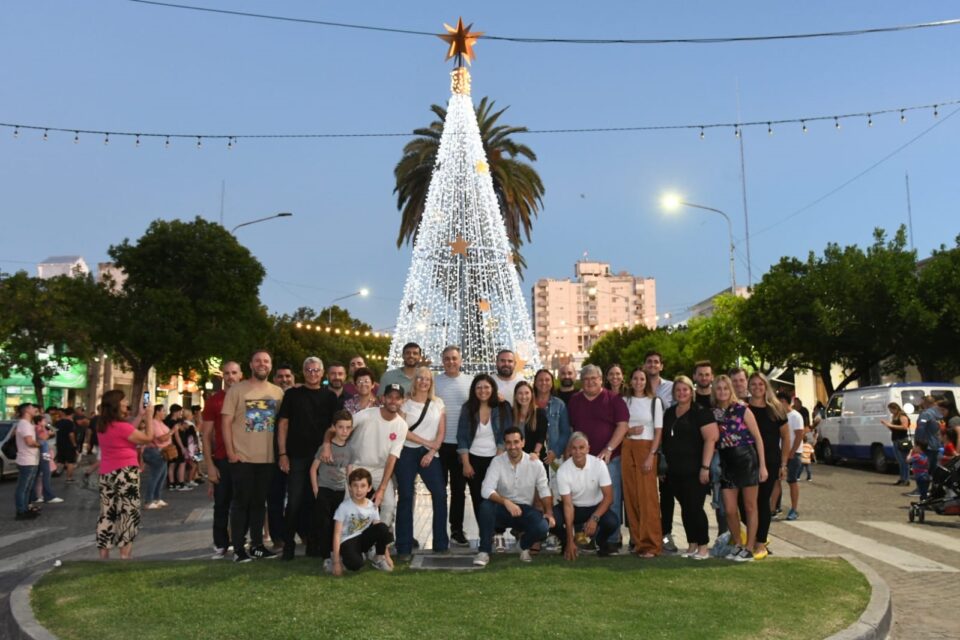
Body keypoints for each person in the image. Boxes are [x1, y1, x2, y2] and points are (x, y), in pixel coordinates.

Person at [221, 349, 285, 563]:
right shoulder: (236, 390)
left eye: (266, 361)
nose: (262, 364)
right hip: (242, 459)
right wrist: (231, 452)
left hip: (267, 460)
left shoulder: (278, 393)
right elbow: (226, 423)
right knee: (240, 504)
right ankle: (238, 548)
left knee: (260, 505)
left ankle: (257, 546)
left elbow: (283, 425)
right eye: (258, 360)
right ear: (250, 364)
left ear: (270, 365)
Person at [276, 356, 339, 560]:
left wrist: (327, 445)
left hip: (320, 458)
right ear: (304, 372)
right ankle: (288, 546)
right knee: (293, 501)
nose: (313, 374)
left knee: (317, 502)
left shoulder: (330, 397)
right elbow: (283, 425)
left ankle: (315, 545)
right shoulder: (293, 395)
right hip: (296, 456)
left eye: (316, 370)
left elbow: (334, 427)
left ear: (322, 373)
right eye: (309, 370)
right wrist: (283, 454)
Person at [325, 383, 408, 534]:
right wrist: (326, 445)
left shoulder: (401, 425)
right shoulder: (367, 414)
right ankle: (347, 542)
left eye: (397, 398)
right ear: (383, 398)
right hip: (356, 465)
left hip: (379, 469)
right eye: (390, 397)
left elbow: (392, 458)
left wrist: (382, 489)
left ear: (402, 401)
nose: (393, 401)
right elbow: (337, 429)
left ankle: (378, 547)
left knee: (388, 504)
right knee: (347, 504)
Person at [566, 364, 628, 553]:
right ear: (581, 381)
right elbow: (571, 428)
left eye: (594, 378)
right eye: (586, 379)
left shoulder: (614, 399)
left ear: (601, 380)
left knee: (611, 499)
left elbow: (623, 426)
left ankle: (611, 539)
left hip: (608, 459)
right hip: (581, 460)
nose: (590, 382)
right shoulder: (575, 401)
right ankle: (585, 538)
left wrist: (609, 449)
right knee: (581, 498)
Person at [473, 427, 554, 567]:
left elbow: (544, 490)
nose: (513, 446)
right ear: (505, 444)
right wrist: (506, 502)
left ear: (523, 442)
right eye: (509, 443)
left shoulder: (535, 464)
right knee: (485, 506)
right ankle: (484, 551)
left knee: (543, 526)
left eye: (516, 442)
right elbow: (486, 490)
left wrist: (549, 513)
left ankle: (523, 546)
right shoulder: (497, 462)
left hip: (525, 510)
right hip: (502, 509)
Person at [660, 376, 719, 560]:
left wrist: (705, 467)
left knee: (695, 508)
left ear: (691, 392)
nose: (681, 393)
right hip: (674, 470)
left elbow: (711, 438)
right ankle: (692, 544)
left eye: (685, 389)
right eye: (678, 390)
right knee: (685, 508)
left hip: (695, 470)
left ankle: (703, 545)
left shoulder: (700, 412)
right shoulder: (669, 413)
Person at [712, 375, 766, 562]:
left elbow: (758, 438)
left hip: (746, 460)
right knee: (729, 509)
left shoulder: (743, 410)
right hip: (726, 462)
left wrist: (763, 466)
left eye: (725, 388)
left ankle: (749, 547)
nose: (722, 392)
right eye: (718, 389)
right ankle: (738, 544)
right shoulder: (714, 413)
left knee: (750, 507)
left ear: (731, 390)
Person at [396, 367, 449, 557]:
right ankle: (403, 545)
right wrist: (427, 442)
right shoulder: (405, 403)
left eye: (427, 379)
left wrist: (432, 450)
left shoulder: (438, 403)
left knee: (440, 494)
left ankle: (441, 543)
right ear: (415, 380)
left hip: (430, 454)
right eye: (420, 378)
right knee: (406, 497)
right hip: (407, 452)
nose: (423, 382)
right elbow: (402, 430)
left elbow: (441, 432)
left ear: (431, 382)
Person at [96, 390, 155, 559]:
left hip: (106, 473)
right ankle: (124, 555)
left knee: (106, 514)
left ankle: (103, 555)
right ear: (117, 404)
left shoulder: (102, 425)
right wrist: (148, 417)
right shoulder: (122, 427)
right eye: (124, 400)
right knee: (128, 513)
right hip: (126, 472)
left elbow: (127, 433)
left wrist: (139, 416)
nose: (126, 402)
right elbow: (147, 437)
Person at [553, 432, 619, 560]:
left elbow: (609, 497)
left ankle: (599, 543)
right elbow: (568, 505)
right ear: (570, 450)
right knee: (552, 521)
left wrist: (594, 518)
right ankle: (566, 543)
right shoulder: (563, 471)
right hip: (574, 507)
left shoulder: (599, 464)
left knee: (612, 522)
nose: (578, 452)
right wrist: (570, 539)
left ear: (588, 448)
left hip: (595, 507)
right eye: (574, 448)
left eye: (581, 448)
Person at [201, 360, 242, 559]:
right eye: (226, 373)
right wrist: (209, 465)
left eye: (234, 372)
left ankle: (240, 541)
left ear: (241, 374)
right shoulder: (214, 401)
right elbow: (206, 435)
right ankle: (220, 543)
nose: (230, 376)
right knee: (221, 504)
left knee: (243, 504)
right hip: (222, 459)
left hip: (245, 459)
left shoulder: (247, 397)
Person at [458, 374, 511, 530]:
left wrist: (499, 459)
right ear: (474, 390)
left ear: (493, 388)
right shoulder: (468, 408)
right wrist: (466, 463)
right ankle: (485, 534)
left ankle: (498, 531)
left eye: (486, 387)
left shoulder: (503, 407)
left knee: (497, 496)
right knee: (478, 497)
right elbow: (461, 437)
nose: (483, 390)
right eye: (479, 387)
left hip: (496, 458)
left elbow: (506, 434)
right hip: (474, 459)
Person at [621, 368, 663, 557]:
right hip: (627, 447)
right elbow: (620, 427)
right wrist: (629, 431)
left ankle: (652, 544)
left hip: (646, 449)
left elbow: (658, 431)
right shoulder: (624, 401)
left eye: (642, 379)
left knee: (648, 498)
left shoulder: (655, 402)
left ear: (646, 381)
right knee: (631, 496)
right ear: (630, 381)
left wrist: (651, 455)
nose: (638, 382)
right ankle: (638, 542)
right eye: (635, 378)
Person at [747, 372, 789, 560]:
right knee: (746, 503)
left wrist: (784, 463)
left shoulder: (776, 410)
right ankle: (752, 536)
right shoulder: (743, 409)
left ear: (766, 387)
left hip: (770, 462)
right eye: (753, 384)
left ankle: (760, 541)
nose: (757, 388)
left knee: (762, 501)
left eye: (760, 384)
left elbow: (786, 437)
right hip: (747, 462)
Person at [434, 345, 472, 546]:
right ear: (442, 361)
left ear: (461, 360)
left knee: (459, 491)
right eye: (447, 358)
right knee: (439, 490)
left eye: (454, 358)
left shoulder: (470, 382)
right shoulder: (434, 382)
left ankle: (456, 529)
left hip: (461, 445)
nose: (450, 362)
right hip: (439, 444)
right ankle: (439, 530)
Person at [310, 410, 353, 573]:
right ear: (334, 428)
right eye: (341, 427)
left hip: (340, 491)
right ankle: (326, 557)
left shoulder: (350, 449)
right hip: (325, 489)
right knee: (324, 524)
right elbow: (313, 469)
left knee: (338, 524)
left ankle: (336, 553)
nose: (344, 431)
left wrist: (351, 493)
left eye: (348, 428)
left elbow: (349, 473)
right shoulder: (325, 447)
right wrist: (316, 489)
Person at [331, 468, 394, 574]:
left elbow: (381, 532)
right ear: (350, 487)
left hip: (363, 539)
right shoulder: (343, 507)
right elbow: (337, 534)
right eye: (355, 485)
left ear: (369, 488)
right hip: (347, 541)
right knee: (356, 565)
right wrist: (336, 563)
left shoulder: (372, 506)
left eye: (363, 486)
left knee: (382, 527)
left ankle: (378, 557)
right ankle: (343, 556)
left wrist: (386, 556)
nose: (359, 490)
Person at [646, 351, 677, 552]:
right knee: (645, 491)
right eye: (649, 362)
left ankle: (665, 534)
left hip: (666, 444)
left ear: (661, 366)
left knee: (666, 492)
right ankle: (644, 533)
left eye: (656, 362)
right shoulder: (638, 385)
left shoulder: (671, 388)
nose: (653, 365)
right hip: (644, 443)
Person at [267, 363, 296, 548]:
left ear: (293, 378)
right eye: (280, 376)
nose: (284, 379)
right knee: (275, 498)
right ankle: (277, 537)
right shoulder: (269, 397)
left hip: (297, 456)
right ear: (274, 379)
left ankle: (298, 534)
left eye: (288, 376)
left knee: (297, 499)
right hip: (273, 456)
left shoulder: (299, 396)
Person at [532, 368, 571, 472]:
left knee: (554, 487)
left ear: (552, 383)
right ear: (535, 383)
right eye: (540, 380)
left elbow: (565, 432)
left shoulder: (559, 405)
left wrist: (555, 452)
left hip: (553, 456)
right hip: (532, 455)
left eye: (547, 380)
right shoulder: (528, 403)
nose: (544, 382)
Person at [775, 391, 805, 521]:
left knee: (792, 481)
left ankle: (794, 508)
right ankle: (774, 507)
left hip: (793, 453)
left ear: (785, 402)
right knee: (776, 481)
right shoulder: (778, 416)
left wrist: (791, 452)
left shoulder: (795, 416)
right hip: (780, 453)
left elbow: (799, 435)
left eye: (779, 402)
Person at [14, 404, 42, 520]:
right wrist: (39, 444)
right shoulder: (24, 424)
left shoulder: (26, 424)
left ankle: (25, 509)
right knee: (23, 487)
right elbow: (29, 442)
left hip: (30, 459)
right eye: (32, 407)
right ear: (26, 410)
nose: (35, 409)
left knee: (28, 487)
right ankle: (21, 511)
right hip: (27, 460)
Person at [142, 405, 172, 510]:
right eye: (163, 411)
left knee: (162, 475)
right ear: (157, 412)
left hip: (162, 452)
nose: (165, 413)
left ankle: (156, 498)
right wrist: (173, 431)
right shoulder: (154, 423)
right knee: (155, 476)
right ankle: (149, 500)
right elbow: (161, 438)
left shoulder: (161, 423)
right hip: (154, 451)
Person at [31, 414, 62, 506]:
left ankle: (34, 496)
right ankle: (48, 496)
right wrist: (48, 431)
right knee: (46, 471)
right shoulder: (39, 428)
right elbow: (44, 437)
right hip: (43, 451)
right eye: (44, 421)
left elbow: (55, 430)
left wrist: (48, 426)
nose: (46, 422)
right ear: (40, 421)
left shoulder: (39, 427)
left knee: (38, 474)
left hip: (43, 450)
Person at [513, 381, 547, 461]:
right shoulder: (511, 413)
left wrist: (536, 452)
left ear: (532, 395)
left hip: (534, 457)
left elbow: (541, 437)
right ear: (515, 396)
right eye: (520, 393)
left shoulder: (540, 413)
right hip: (516, 458)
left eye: (527, 393)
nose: (523, 396)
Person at [881, 402, 911, 486]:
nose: (890, 411)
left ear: (895, 408)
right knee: (899, 460)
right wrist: (888, 425)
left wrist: (891, 425)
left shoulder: (902, 416)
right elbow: (894, 429)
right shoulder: (894, 417)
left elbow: (904, 427)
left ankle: (906, 479)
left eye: (891, 409)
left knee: (904, 460)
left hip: (902, 440)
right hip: (895, 439)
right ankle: (901, 478)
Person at [54, 407, 78, 482]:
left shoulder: (58, 422)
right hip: (68, 445)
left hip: (60, 443)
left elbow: (53, 431)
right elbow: (71, 434)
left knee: (60, 460)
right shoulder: (70, 423)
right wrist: (74, 444)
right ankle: (69, 478)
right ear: (72, 414)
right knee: (70, 461)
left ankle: (56, 472)